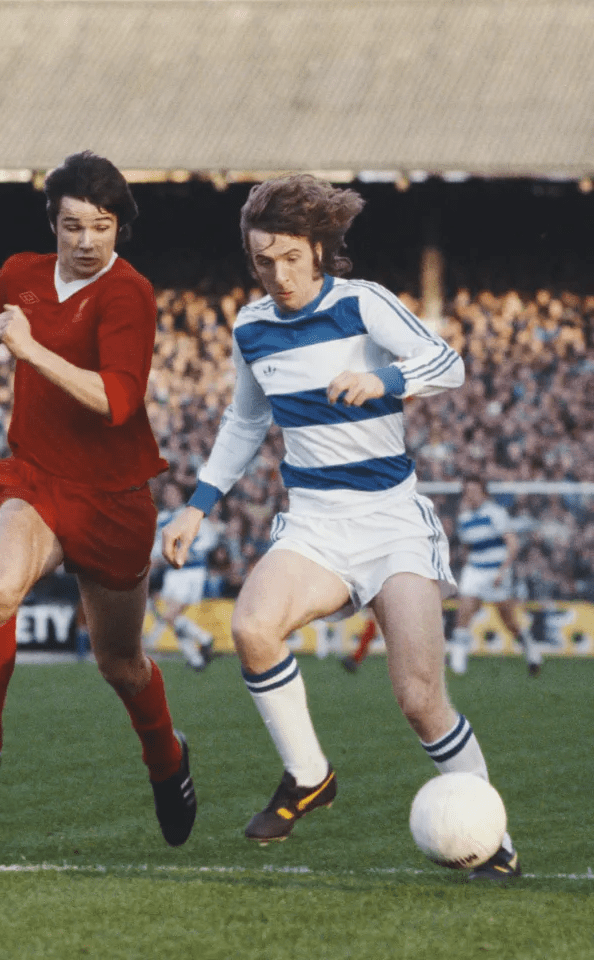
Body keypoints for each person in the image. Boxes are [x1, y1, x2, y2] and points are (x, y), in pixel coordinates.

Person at [162, 173, 520, 878]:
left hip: (391, 524)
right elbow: (245, 421)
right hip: (316, 526)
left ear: (320, 250)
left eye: (292, 257)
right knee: (252, 627)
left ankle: (489, 836)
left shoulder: (365, 304)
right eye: (264, 260)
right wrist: (196, 505)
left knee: (419, 699)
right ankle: (309, 776)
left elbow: (447, 363)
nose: (279, 273)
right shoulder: (251, 325)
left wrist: (383, 382)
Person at [0, 151, 196, 847]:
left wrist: (30, 352)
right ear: (52, 222)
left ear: (120, 228)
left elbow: (117, 401)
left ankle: (167, 759)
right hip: (40, 478)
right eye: (73, 225)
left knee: (120, 663)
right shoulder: (21, 274)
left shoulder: (128, 294)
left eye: (102, 226)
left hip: (114, 497)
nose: (86, 241)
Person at [448, 476, 543, 677]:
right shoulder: (464, 518)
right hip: (475, 570)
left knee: (509, 621)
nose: (471, 495)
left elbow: (512, 543)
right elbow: (467, 548)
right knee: (463, 613)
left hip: (495, 571)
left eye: (474, 491)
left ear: (483, 492)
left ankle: (531, 651)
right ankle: (458, 664)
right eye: (468, 491)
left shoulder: (495, 513)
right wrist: (466, 569)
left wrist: (503, 570)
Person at [146, 482, 218, 670]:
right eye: (166, 492)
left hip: (192, 570)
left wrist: (188, 549)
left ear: (180, 494)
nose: (169, 496)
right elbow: (156, 546)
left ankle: (204, 639)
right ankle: (196, 659)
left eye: (172, 492)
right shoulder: (161, 518)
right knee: (171, 616)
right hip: (173, 572)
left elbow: (209, 538)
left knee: (170, 615)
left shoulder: (191, 514)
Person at [341, 607, 379, 674]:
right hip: (366, 638)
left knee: (360, 649)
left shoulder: (371, 624)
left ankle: (351, 663)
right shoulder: (370, 624)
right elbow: (370, 634)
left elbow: (370, 634)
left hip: (366, 638)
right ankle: (351, 663)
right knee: (361, 649)